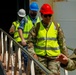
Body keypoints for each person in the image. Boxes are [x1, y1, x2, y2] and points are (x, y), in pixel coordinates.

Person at [26, 3, 69, 75]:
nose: (48, 17)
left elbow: (62, 42)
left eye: (50, 15)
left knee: (54, 73)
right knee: (42, 73)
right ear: (41, 15)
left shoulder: (56, 27)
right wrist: (33, 54)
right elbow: (30, 41)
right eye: (46, 16)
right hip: (40, 57)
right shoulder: (37, 27)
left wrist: (66, 56)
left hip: (54, 57)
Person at [18, 2, 40, 72]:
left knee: (37, 61)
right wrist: (22, 39)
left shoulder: (39, 20)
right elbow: (20, 28)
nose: (34, 12)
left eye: (35, 11)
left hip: (36, 44)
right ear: (30, 10)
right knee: (27, 59)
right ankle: (28, 72)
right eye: (33, 11)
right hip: (27, 44)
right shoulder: (25, 19)